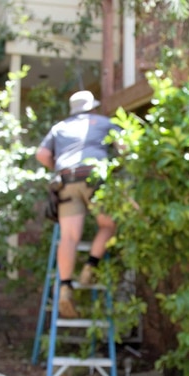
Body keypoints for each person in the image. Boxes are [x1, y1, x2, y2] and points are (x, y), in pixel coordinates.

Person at [36, 90, 119, 318]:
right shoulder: (104, 123)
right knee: (108, 225)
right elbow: (125, 147)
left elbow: (42, 154)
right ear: (92, 107)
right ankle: (90, 267)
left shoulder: (59, 127)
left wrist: (57, 166)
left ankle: (64, 287)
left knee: (69, 237)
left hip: (66, 179)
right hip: (94, 177)